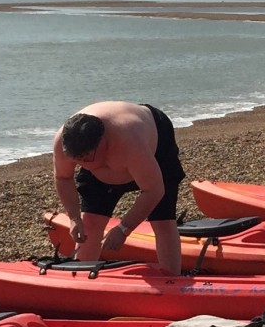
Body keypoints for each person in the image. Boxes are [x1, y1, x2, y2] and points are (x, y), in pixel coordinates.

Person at [53, 102, 185, 274]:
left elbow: (154, 190)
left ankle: (172, 279)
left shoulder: (131, 142)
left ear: (102, 143)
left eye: (86, 159)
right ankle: (82, 278)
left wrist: (124, 228)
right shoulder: (64, 143)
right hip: (102, 159)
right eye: (77, 161)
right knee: (90, 223)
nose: (81, 163)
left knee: (163, 222)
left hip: (155, 141)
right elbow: (63, 177)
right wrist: (74, 218)